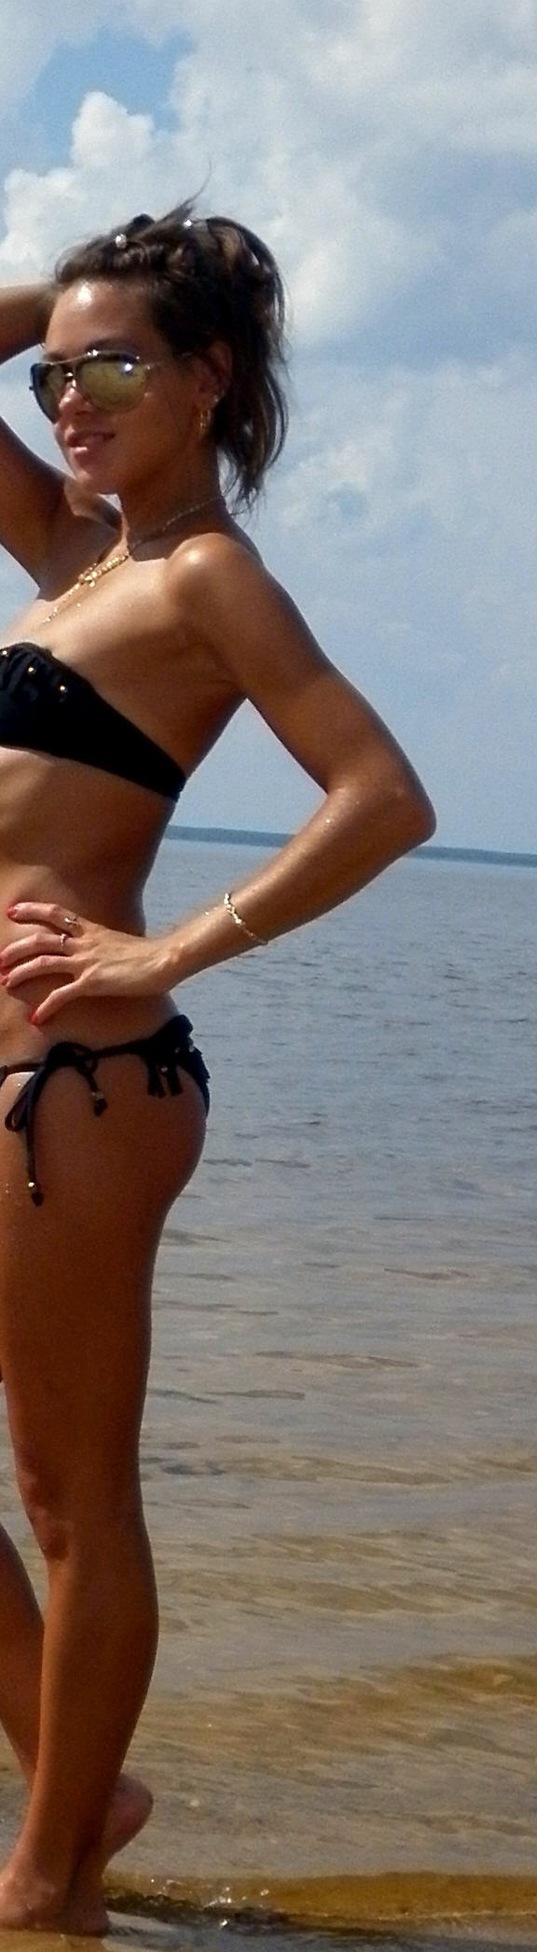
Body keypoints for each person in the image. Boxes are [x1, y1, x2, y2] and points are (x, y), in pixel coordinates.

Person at [0, 203, 435, 1932]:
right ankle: (76, 1784)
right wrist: (85, 309)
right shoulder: (73, 559)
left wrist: (166, 951)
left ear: (209, 379)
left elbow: (383, 797)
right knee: (54, 1492)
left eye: (112, 374)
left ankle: (48, 1887)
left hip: (76, 1088)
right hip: (22, 1087)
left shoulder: (203, 579)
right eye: (51, 379)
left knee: (70, 1498)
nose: (69, 405)